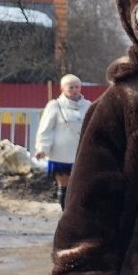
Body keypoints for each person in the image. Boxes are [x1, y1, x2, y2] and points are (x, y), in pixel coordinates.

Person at [34, 74, 91, 210]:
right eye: (71, 87)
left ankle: (78, 215)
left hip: (81, 154)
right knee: (64, 187)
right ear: (62, 88)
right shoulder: (54, 106)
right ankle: (65, 215)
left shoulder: (88, 106)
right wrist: (42, 148)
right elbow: (45, 129)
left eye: (77, 87)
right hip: (61, 155)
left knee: (79, 187)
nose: (74, 90)